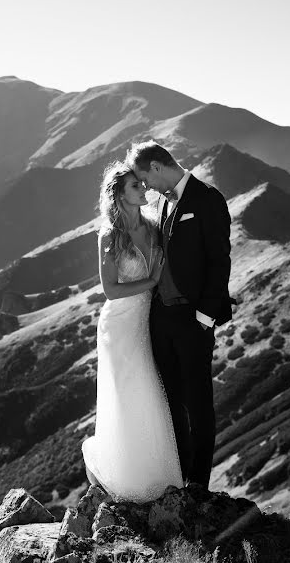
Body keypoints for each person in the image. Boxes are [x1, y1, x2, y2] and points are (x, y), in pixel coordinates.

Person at [128, 140, 233, 489]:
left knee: (198, 401)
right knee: (170, 398)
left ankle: (199, 483)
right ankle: (179, 474)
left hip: (193, 320)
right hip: (162, 319)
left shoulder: (207, 199)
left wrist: (204, 319)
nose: (146, 188)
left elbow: (220, 262)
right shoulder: (161, 203)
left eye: (145, 180)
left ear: (157, 167)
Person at [81, 161, 184, 502]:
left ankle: (154, 479)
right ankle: (124, 478)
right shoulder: (110, 236)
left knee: (148, 393)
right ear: (120, 196)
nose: (144, 190)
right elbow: (110, 289)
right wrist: (150, 281)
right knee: (128, 395)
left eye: (142, 185)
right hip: (119, 326)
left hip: (145, 322)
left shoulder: (154, 228)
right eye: (136, 187)